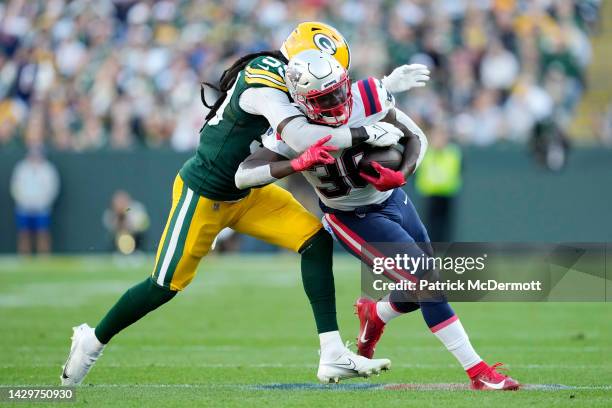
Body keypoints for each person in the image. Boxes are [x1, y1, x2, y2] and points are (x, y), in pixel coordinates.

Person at [60, 21, 426, 386]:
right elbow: (300, 135)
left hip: (250, 191)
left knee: (315, 240)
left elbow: (333, 103)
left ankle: (331, 354)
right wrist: (364, 132)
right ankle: (91, 341)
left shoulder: (296, 81)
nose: (329, 86)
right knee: (163, 285)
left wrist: (384, 87)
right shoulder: (265, 83)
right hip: (205, 193)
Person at [235, 50, 519, 391]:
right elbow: (243, 174)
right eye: (324, 98)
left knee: (424, 283)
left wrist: (402, 174)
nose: (338, 102)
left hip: (395, 200)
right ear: (302, 100)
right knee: (426, 283)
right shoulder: (290, 130)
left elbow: (416, 137)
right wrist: (293, 164)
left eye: (339, 90)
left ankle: (376, 315)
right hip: (351, 216)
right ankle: (478, 372)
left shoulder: (366, 96)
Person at [414, 124, 462, 242]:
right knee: (429, 225)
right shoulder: (426, 153)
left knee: (445, 226)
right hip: (430, 194)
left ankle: (444, 248)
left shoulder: (453, 153)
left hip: (447, 194)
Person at [10, 145, 60, 255]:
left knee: (43, 233)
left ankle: (44, 258)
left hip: (41, 208)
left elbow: (52, 188)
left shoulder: (48, 169)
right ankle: (24, 257)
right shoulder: (22, 168)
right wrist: (23, 201)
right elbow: (15, 187)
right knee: (24, 234)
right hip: (24, 207)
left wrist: (43, 202)